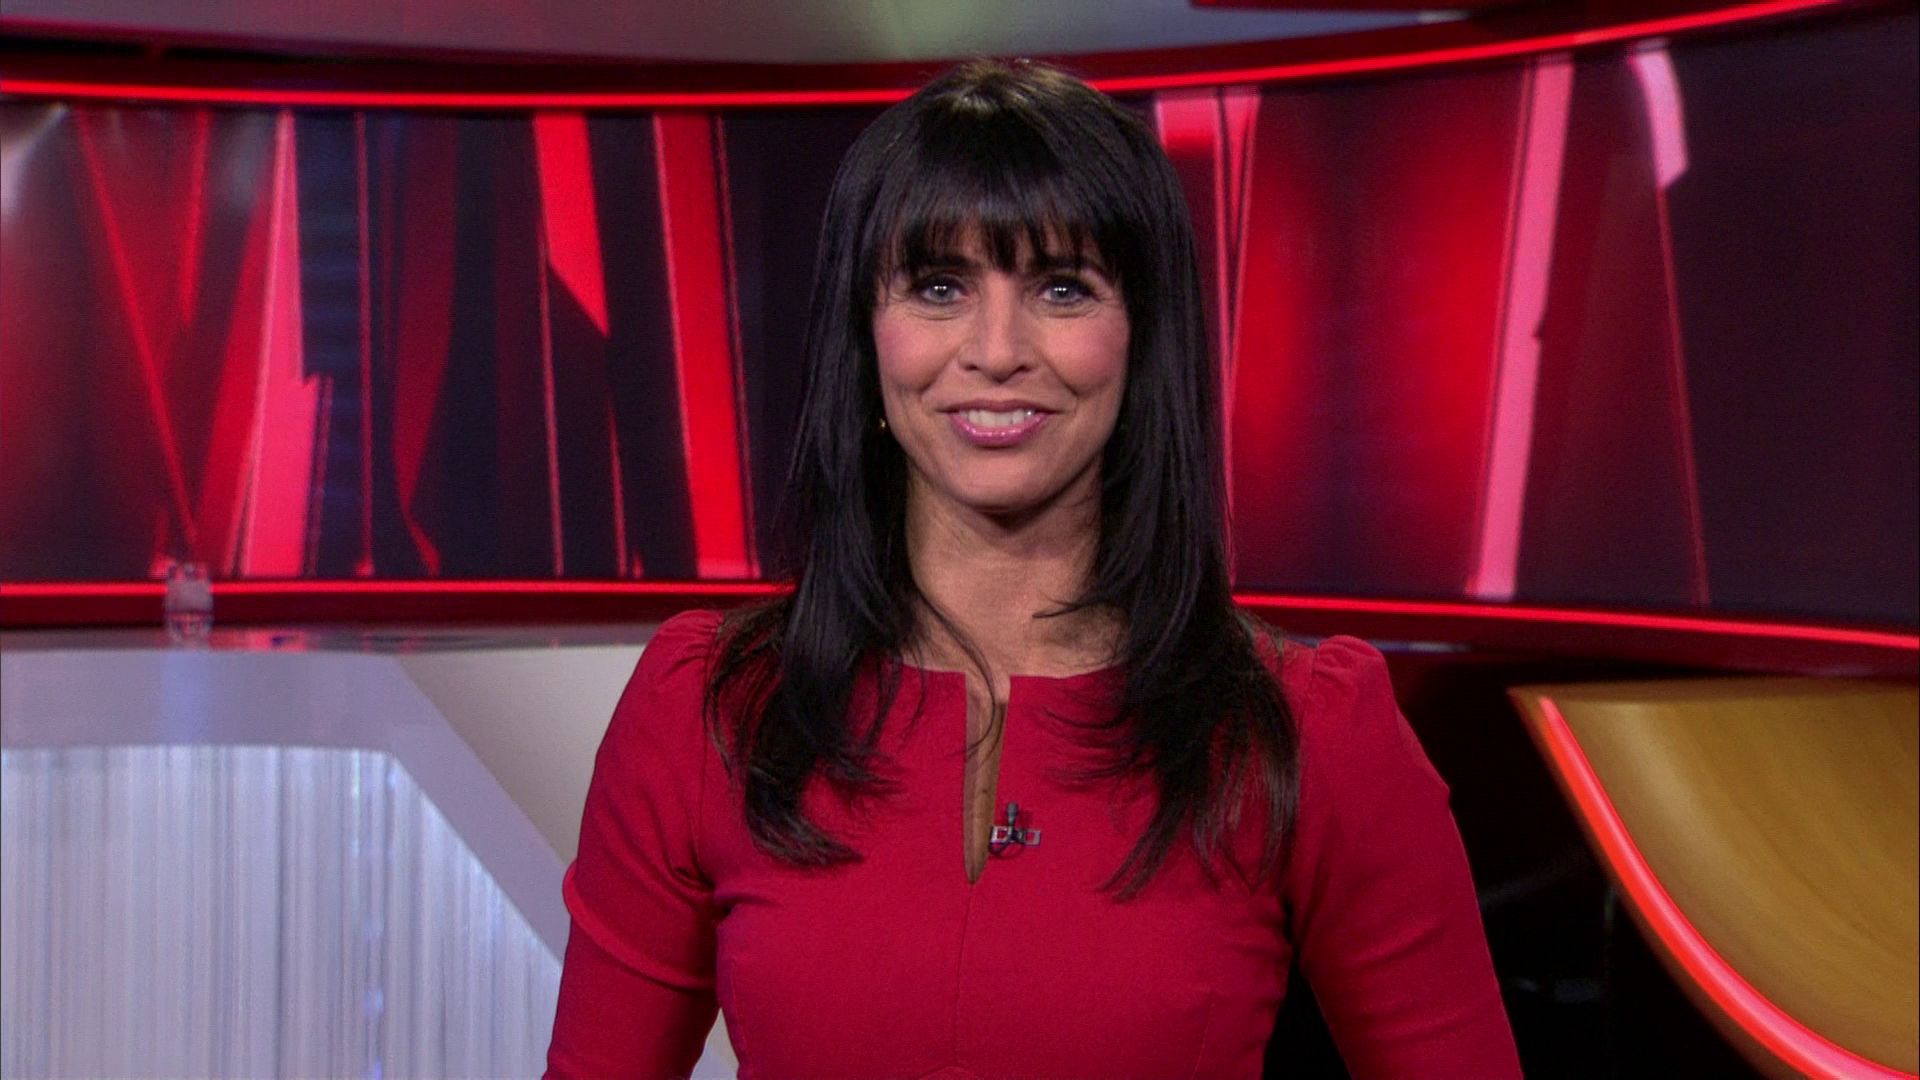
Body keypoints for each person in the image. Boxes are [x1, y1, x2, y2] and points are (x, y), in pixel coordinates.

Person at [546, 60, 1520, 1079]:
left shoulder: (1305, 729)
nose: (997, 349)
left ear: (1141, 338)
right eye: (939, 287)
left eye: (1062, 287)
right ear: (865, 336)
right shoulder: (712, 707)